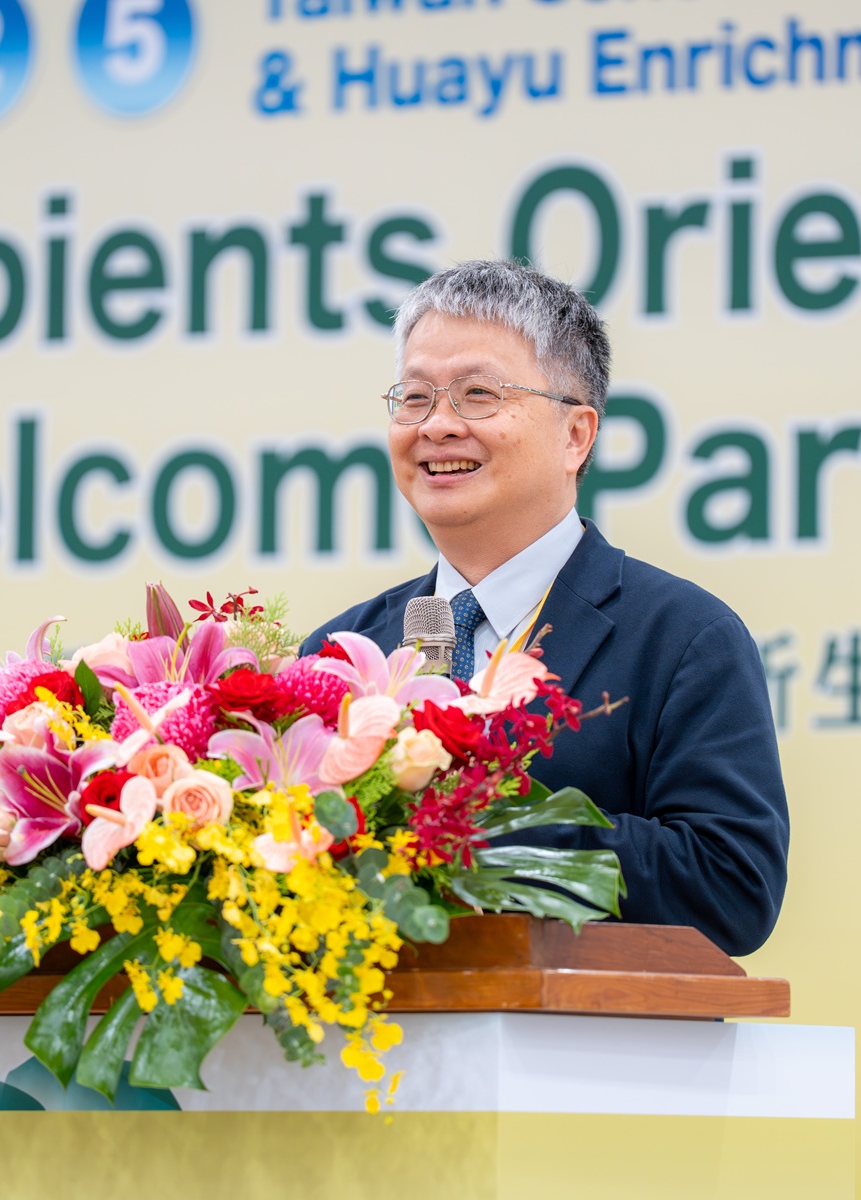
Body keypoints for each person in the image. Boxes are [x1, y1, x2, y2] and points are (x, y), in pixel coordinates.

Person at [301, 260, 789, 956]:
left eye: (477, 394)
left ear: (576, 436)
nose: (436, 426)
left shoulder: (682, 638)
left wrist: (482, 824)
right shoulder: (343, 650)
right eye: (413, 398)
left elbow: (732, 885)